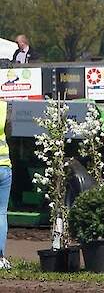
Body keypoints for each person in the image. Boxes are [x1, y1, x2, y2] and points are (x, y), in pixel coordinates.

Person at [1, 100, 12, 270]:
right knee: (1, 213)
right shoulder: (3, 106)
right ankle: (0, 257)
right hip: (3, 167)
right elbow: (9, 131)